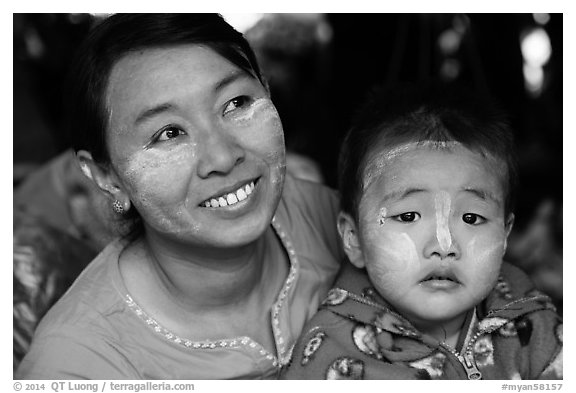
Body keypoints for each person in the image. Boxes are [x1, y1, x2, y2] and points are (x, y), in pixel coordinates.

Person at [16, 13, 344, 380]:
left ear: (266, 90)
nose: (222, 157)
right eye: (169, 133)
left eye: (235, 103)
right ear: (106, 176)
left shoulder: (332, 218)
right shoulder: (78, 367)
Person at [281, 84, 562, 380]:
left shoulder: (531, 322)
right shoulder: (332, 359)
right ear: (354, 239)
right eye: (408, 216)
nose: (444, 245)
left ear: (505, 235)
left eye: (471, 217)